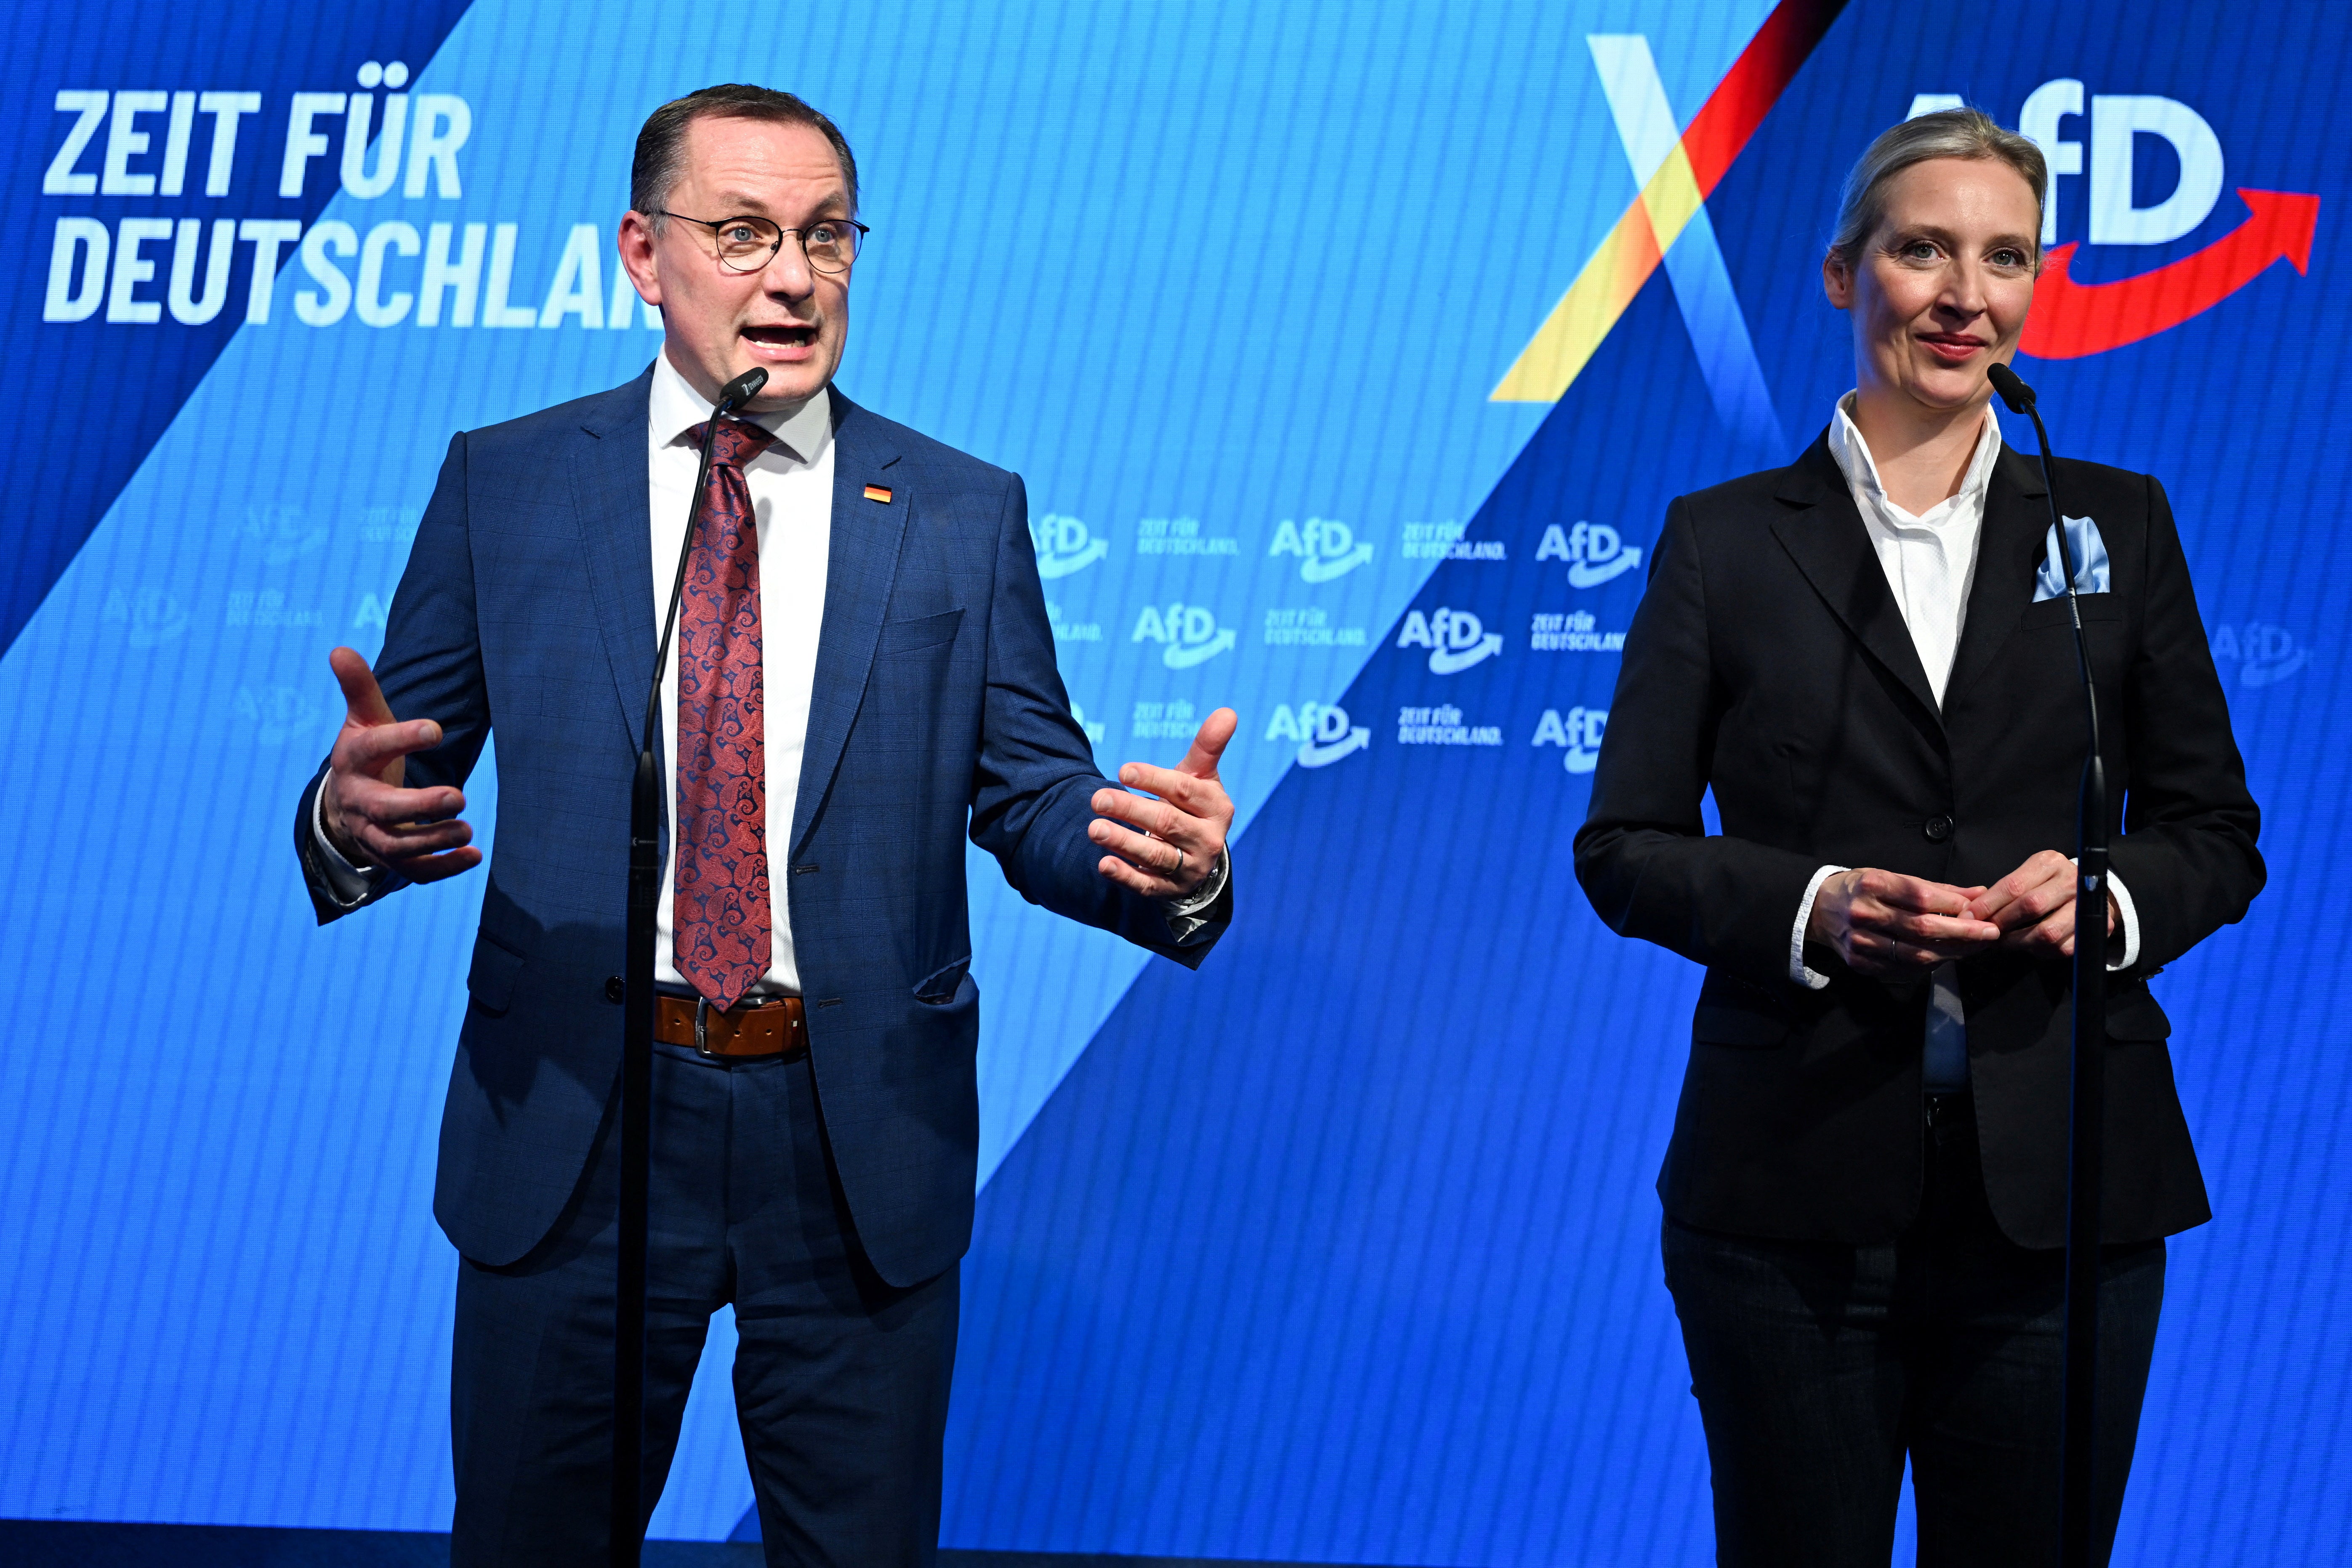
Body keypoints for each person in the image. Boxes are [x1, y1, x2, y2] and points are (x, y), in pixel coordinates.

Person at [294, 83, 1237, 1565]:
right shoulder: (512, 481)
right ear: (639, 252)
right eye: (740, 235)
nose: (793, 277)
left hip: (852, 1128)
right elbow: (394, 766)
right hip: (581, 1122)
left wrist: (1150, 862)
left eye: (824, 237)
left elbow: (1035, 791)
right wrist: (349, 822)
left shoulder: (955, 508)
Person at [1574, 108, 2262, 1566]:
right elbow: (1623, 844)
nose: (1966, 294)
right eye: (1922, 250)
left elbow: (2212, 830)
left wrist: (2108, 895)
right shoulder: (1723, 540)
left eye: (2003, 256)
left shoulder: (2119, 527)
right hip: (1789, 1194)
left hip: (2064, 1197)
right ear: (1844, 275)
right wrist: (1813, 905)